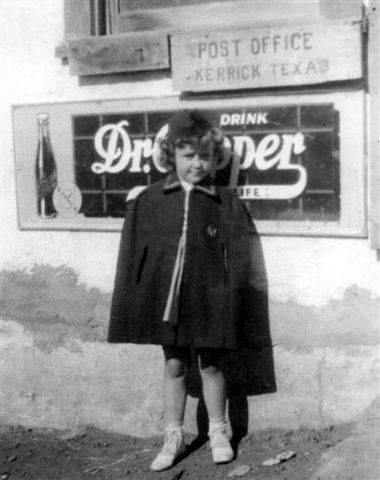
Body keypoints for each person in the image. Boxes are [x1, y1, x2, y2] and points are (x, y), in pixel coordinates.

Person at [108, 109, 267, 471]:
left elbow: (240, 260)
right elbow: (135, 258)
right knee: (176, 364)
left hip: (211, 298)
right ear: (171, 156)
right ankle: (174, 434)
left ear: (216, 159)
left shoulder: (224, 201)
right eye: (188, 155)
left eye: (205, 156)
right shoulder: (150, 199)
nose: (197, 164)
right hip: (169, 302)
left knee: (211, 364)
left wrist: (230, 301)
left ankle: (218, 430)